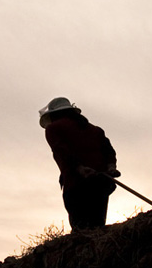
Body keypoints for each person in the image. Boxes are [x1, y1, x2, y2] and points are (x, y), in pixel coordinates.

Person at [39, 97, 119, 231]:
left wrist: (79, 168)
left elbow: (61, 151)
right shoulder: (96, 130)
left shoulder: (54, 129)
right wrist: (111, 167)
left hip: (77, 183)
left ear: (54, 115)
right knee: (97, 226)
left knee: (81, 229)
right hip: (101, 182)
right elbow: (109, 150)